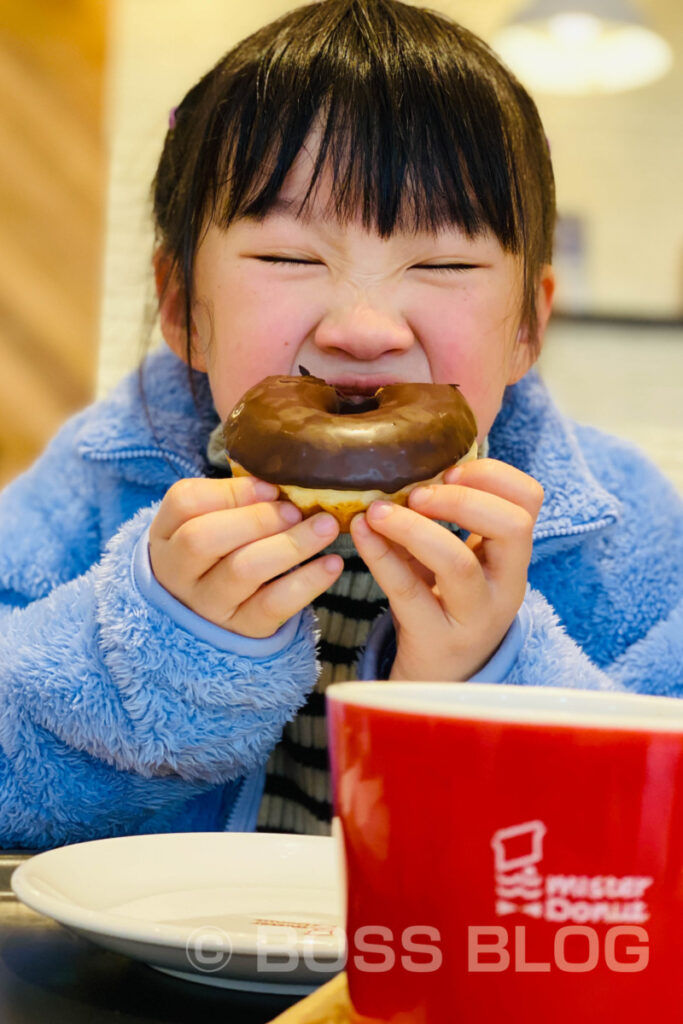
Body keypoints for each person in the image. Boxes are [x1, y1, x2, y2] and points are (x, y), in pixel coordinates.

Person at [1, 0, 681, 850]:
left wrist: (487, 683)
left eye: (443, 263)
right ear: (183, 309)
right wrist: (155, 652)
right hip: (125, 982)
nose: (364, 328)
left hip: (457, 976)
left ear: (526, 329)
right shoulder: (101, 482)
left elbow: (650, 842)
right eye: (289, 257)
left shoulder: (614, 531)